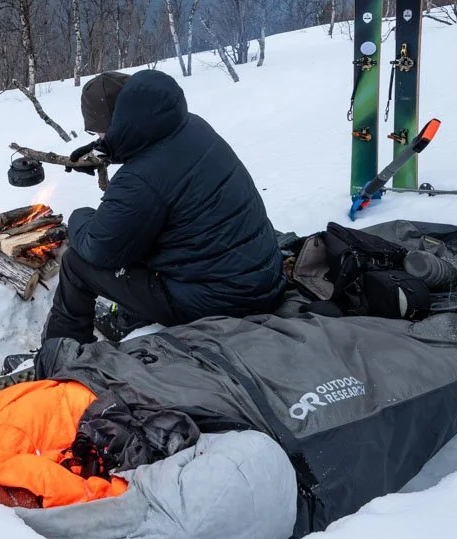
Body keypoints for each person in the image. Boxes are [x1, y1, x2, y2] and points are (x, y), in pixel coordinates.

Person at [43, 69, 284, 343]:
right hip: (259, 279)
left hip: (223, 304)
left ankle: (60, 351)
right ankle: (131, 317)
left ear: (114, 124)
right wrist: (105, 150)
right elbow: (156, 163)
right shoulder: (190, 125)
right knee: (140, 231)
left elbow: (99, 249)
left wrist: (79, 217)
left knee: (78, 263)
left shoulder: (140, 179)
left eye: (97, 131)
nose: (97, 136)